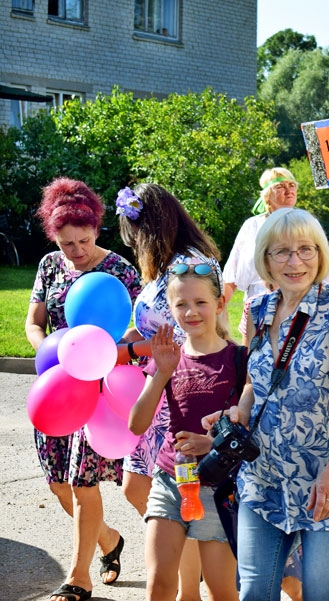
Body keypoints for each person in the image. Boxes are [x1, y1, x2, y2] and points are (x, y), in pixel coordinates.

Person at [205, 208, 329, 601]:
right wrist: (240, 412)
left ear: (321, 254)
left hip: (327, 482)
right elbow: (254, 382)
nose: (295, 261)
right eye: (281, 252)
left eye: (305, 249)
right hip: (264, 478)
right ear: (264, 259)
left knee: (320, 595)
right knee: (254, 594)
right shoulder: (259, 310)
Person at [26, 178, 142, 601]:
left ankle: (79, 578)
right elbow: (34, 322)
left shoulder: (120, 272)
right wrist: (49, 353)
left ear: (96, 230)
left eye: (83, 241)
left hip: (100, 391)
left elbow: (135, 330)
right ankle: (109, 541)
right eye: (66, 243)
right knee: (59, 485)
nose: (75, 251)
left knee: (81, 484)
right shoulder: (49, 266)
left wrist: (102, 357)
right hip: (58, 385)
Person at [117, 182, 221, 601]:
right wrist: (123, 341)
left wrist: (127, 351)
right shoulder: (166, 266)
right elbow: (150, 326)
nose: (134, 243)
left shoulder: (191, 266)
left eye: (135, 234)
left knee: (181, 496)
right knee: (137, 487)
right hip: (155, 390)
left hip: (179, 390)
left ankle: (187, 590)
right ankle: (186, 585)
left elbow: (184, 334)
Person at [128, 264, 240, 601]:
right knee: (159, 585)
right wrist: (162, 372)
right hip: (170, 481)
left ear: (220, 304)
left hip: (219, 487)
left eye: (200, 302)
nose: (191, 312)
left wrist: (212, 443)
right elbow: (136, 423)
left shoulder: (239, 358)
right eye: (181, 304)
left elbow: (249, 429)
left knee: (221, 590)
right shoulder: (168, 357)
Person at [223, 167, 329, 347]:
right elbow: (230, 277)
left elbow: (328, 274)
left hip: (301, 306)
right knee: (255, 363)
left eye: (292, 185)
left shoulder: (309, 224)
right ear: (267, 195)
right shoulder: (252, 226)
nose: (288, 190)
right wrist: (216, 310)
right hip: (258, 310)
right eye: (281, 186)